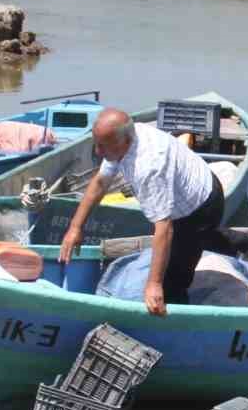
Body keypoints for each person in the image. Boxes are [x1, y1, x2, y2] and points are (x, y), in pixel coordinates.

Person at [58, 108, 238, 316]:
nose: (97, 152)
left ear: (124, 141)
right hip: (184, 190)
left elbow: (165, 228)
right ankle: (234, 242)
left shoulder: (148, 167)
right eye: (96, 144)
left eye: (102, 146)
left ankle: (175, 325)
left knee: (173, 282)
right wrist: (75, 227)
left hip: (200, 207)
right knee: (176, 251)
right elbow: (100, 183)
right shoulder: (119, 142)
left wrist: (154, 284)